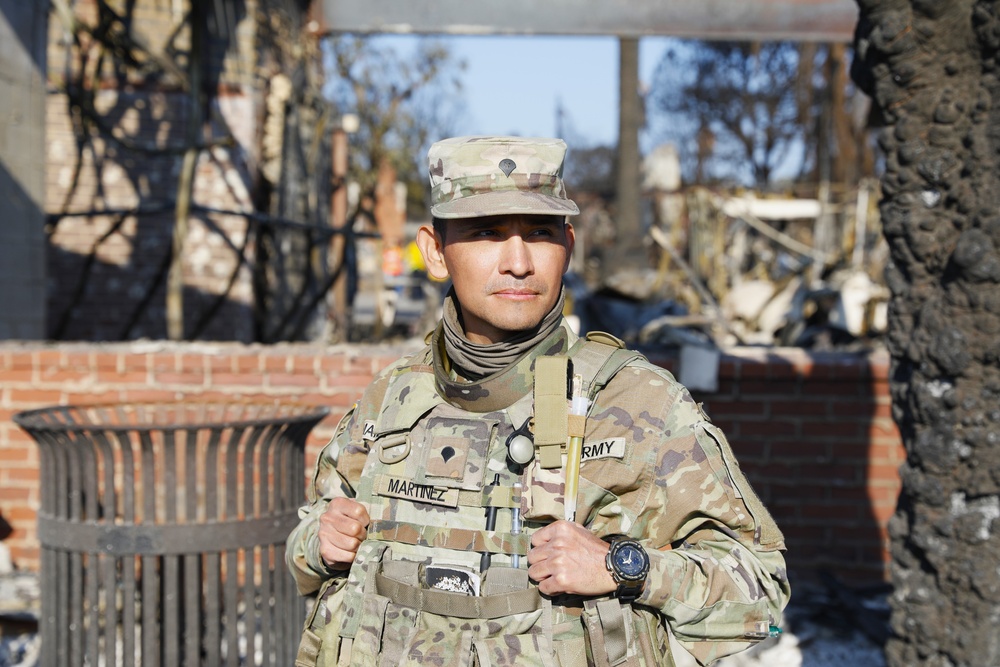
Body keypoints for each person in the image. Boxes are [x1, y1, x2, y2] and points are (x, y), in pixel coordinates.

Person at [287, 135, 790, 667]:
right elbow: (308, 545)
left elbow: (762, 590)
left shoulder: (640, 404)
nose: (519, 263)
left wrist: (625, 567)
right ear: (435, 251)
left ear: (568, 246)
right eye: (486, 232)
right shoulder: (391, 398)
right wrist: (318, 542)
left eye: (540, 234)